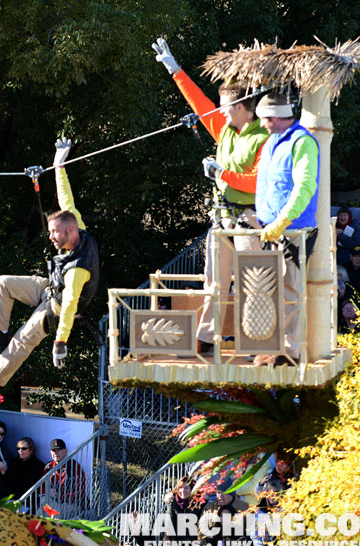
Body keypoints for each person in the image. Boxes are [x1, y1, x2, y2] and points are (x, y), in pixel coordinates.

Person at [152, 38, 269, 355]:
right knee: (214, 282)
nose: (221, 112)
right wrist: (175, 71)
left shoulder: (263, 136)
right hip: (223, 217)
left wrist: (221, 174)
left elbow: (258, 183)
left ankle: (258, 341)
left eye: (226, 107)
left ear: (241, 108)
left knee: (253, 282)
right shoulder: (227, 130)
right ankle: (205, 337)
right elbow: (201, 106)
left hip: (249, 217)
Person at [0, 137, 100, 386]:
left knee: (24, 338)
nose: (50, 236)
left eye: (55, 233)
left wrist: (60, 342)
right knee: (3, 283)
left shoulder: (78, 270)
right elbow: (66, 200)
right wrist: (58, 165)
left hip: (58, 306)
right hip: (49, 287)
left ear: (70, 232)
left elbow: (70, 305)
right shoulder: (78, 227)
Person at [252, 92, 319, 366]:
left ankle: (290, 351)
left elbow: (305, 186)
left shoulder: (303, 142)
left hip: (293, 231)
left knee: (290, 292)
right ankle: (273, 347)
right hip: (270, 230)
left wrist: (283, 220)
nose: (263, 124)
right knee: (269, 292)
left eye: (265, 119)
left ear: (276, 117)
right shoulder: (271, 142)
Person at [42, 438, 87, 519]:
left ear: (66, 451)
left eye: (59, 450)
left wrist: (59, 496)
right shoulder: (49, 466)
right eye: (53, 450)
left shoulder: (74, 467)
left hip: (71, 503)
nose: (56, 453)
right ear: (50, 452)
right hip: (52, 501)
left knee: (55, 516)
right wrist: (48, 490)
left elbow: (81, 493)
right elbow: (40, 487)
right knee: (40, 512)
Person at [0, 436, 45, 501]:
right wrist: (3, 472)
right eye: (18, 448)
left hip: (27, 500)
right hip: (9, 497)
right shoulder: (12, 462)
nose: (20, 450)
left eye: (23, 448)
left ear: (31, 450)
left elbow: (30, 485)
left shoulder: (39, 465)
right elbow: (5, 482)